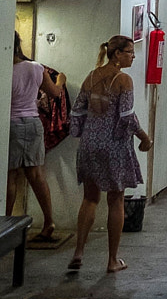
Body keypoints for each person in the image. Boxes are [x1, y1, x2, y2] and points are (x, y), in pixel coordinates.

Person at [69, 35, 150, 274]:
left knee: (90, 198)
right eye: (129, 52)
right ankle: (112, 259)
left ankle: (78, 252)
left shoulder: (91, 76)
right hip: (113, 145)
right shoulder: (123, 80)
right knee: (115, 199)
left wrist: (82, 134)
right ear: (117, 54)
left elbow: (77, 111)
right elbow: (127, 117)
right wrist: (144, 137)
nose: (133, 57)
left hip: (90, 143)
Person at [8, 37, 66, 240]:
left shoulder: (2, 70)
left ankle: (5, 226)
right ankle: (49, 221)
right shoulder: (35, 68)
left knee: (10, 176)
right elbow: (55, 93)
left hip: (11, 125)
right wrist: (61, 80)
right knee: (36, 175)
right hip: (33, 124)